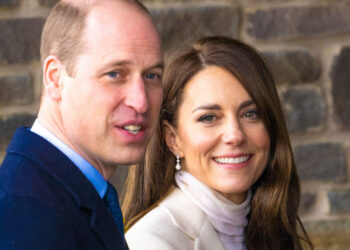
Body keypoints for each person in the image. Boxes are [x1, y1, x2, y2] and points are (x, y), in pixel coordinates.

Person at [123, 36, 313, 250]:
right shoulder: (151, 242)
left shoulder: (269, 228)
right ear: (173, 139)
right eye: (209, 118)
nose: (235, 135)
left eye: (250, 113)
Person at [0, 0, 163, 249]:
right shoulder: (26, 214)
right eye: (115, 74)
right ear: (55, 78)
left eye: (152, 76)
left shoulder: (64, 192)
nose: (141, 102)